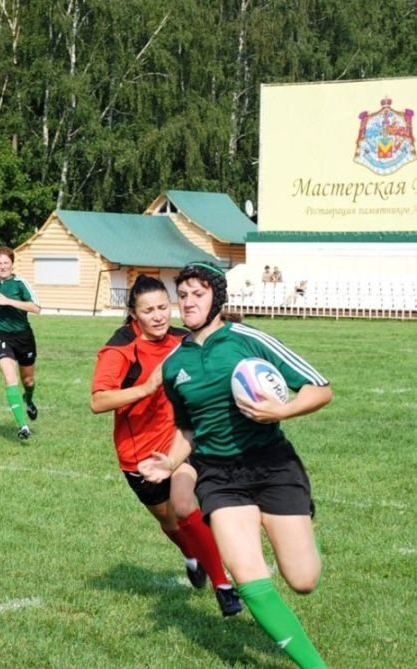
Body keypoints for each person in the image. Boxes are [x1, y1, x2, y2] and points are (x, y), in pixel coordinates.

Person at [139, 262, 333, 669]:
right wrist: (169, 461)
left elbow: (320, 388)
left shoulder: (248, 339)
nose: (188, 302)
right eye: (184, 294)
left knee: (303, 580)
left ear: (217, 298)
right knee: (247, 575)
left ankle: (298, 538)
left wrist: (282, 409)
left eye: (198, 293)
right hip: (219, 476)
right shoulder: (175, 365)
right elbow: (188, 432)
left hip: (273, 465)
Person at [90, 274, 242, 617]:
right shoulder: (120, 349)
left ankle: (223, 585)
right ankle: (192, 556)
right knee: (174, 525)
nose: (159, 316)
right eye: (149, 310)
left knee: (197, 510)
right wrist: (145, 388)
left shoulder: (181, 339)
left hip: (184, 444)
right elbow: (98, 401)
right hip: (141, 458)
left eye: (163, 307)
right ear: (133, 313)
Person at [0, 246, 41, 440]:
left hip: (24, 337)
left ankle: (29, 399)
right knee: (10, 378)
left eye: (6, 262)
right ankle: (23, 426)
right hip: (1, 336)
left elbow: (36, 307)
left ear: (12, 263)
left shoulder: (20, 283)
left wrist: (10, 301)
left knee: (28, 381)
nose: (3, 266)